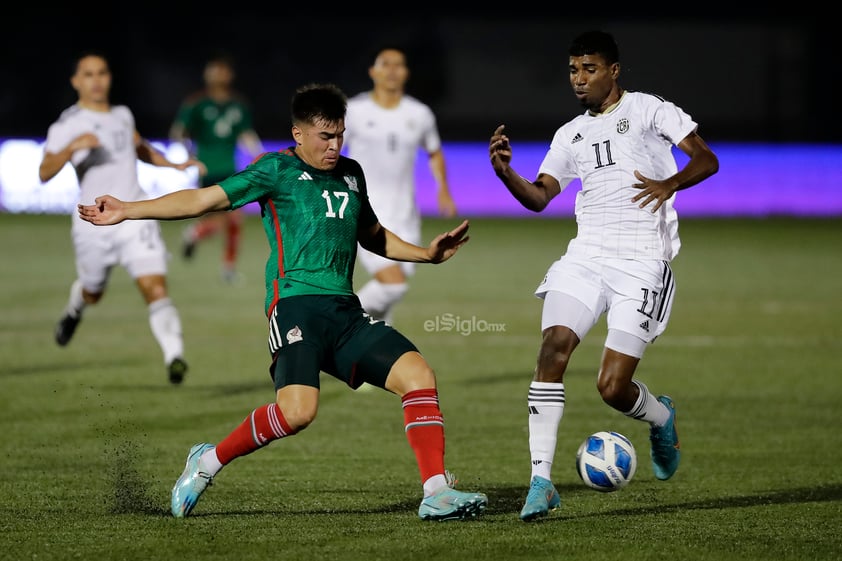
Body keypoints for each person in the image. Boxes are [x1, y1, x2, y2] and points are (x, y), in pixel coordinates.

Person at [78, 82, 488, 522]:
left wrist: (426, 254)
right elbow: (202, 200)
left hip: (344, 311)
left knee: (418, 375)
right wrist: (129, 208)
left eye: (339, 136)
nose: (334, 146)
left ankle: (436, 491)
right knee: (298, 413)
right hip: (294, 307)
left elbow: (373, 235)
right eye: (324, 137)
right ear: (298, 134)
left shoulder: (351, 173)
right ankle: (207, 461)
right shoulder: (274, 170)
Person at [488, 30, 719, 521]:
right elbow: (538, 197)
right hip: (586, 257)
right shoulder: (570, 134)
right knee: (552, 348)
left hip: (641, 262)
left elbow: (706, 158)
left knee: (612, 388)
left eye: (589, 68)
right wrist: (506, 172)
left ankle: (660, 417)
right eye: (573, 70)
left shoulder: (650, 110)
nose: (579, 79)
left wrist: (669, 183)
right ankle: (541, 480)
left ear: (614, 70)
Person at [40, 50, 201, 385]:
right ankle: (75, 309)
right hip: (93, 221)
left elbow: (139, 148)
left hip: (134, 213)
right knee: (93, 292)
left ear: (109, 78)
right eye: (88, 74)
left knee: (155, 286)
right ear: (76, 81)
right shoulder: (67, 124)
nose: (96, 80)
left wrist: (173, 165)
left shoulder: (123, 115)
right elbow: (44, 171)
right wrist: (72, 148)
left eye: (102, 72)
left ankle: (175, 356)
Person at [344, 46, 457, 325]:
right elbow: (329, 147)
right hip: (366, 213)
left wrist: (443, 188)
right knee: (392, 285)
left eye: (399, 65)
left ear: (406, 73)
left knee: (389, 299)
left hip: (406, 215)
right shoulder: (354, 110)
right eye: (385, 64)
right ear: (373, 71)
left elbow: (434, 151)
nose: (392, 70)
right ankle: (337, 321)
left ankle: (375, 359)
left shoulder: (419, 114)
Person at [170, 52, 265, 283]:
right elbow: (178, 131)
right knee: (220, 218)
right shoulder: (196, 103)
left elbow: (245, 134)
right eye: (214, 70)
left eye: (222, 70)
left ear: (229, 75)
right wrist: (189, 153)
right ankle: (198, 235)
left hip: (229, 169)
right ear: (207, 74)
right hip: (206, 168)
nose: (218, 75)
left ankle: (226, 266)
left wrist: (259, 155)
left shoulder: (238, 105)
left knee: (233, 219)